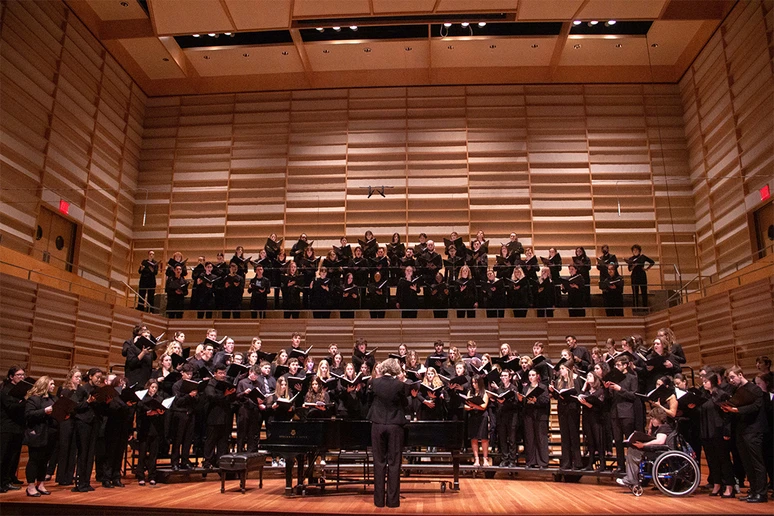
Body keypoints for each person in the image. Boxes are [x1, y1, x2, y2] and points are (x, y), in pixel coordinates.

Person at [721, 366, 768, 503]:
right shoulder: (736, 391)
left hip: (754, 430)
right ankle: (753, 491)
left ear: (740, 375)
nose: (731, 380)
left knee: (756, 462)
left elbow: (756, 407)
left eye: (732, 377)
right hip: (741, 430)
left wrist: (736, 410)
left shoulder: (755, 389)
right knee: (747, 463)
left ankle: (761, 493)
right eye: (729, 378)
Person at [368, 358, 408, 508]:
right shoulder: (400, 385)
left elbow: (369, 401)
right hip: (394, 425)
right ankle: (392, 501)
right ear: (395, 370)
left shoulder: (374, 383)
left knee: (378, 463)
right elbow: (405, 404)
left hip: (377, 424)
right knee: (394, 463)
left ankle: (378, 501)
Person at [617, 406, 673, 488]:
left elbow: (660, 441)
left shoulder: (664, 427)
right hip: (656, 450)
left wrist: (643, 445)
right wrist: (650, 429)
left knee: (633, 452)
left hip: (659, 452)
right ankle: (631, 479)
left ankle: (631, 479)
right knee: (632, 449)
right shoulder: (659, 428)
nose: (651, 420)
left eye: (653, 418)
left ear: (659, 418)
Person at [699, 371, 735, 498]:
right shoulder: (704, 395)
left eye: (706, 381)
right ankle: (717, 484)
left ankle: (730, 486)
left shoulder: (721, 394)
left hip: (719, 431)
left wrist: (727, 431)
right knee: (712, 460)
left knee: (724, 460)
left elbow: (728, 415)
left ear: (713, 382)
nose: (703, 384)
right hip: (707, 432)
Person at [23, 376, 57, 497]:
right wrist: (44, 411)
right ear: (44, 385)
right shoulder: (34, 399)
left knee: (44, 461)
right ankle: (31, 486)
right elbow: (28, 415)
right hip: (37, 433)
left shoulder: (53, 398)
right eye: (51, 384)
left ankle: (40, 484)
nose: (53, 386)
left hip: (50, 434)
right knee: (34, 460)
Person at [604, 356, 638, 473]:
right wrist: (607, 389)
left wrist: (620, 389)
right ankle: (620, 466)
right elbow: (609, 398)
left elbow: (633, 396)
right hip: (615, 413)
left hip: (627, 412)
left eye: (619, 365)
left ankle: (632, 467)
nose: (616, 367)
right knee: (617, 441)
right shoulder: (614, 378)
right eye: (615, 365)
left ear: (625, 365)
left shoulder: (632, 378)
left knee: (629, 441)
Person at [550, 361, 584, 470]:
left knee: (574, 436)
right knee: (564, 436)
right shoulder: (559, 381)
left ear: (569, 369)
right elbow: (556, 396)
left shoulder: (575, 379)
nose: (561, 371)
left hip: (573, 409)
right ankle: (566, 462)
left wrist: (568, 396)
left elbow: (578, 394)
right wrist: (553, 391)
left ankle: (577, 462)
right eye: (560, 369)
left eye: (563, 369)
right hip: (562, 409)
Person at [0, 366, 27, 492]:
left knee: (14, 455)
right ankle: (2, 482)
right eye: (19, 375)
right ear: (11, 377)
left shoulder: (20, 390)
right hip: (7, 426)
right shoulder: (5, 390)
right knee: (4, 455)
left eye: (23, 375)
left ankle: (10, 478)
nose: (22, 377)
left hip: (18, 426)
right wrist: (24, 402)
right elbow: (11, 407)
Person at [136, 380, 166, 486]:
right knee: (142, 454)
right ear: (148, 387)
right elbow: (139, 411)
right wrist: (148, 413)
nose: (154, 389)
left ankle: (152, 476)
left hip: (155, 429)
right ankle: (140, 476)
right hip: (145, 429)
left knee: (153, 455)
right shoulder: (142, 398)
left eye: (156, 388)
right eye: (152, 387)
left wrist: (161, 412)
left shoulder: (159, 399)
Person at [521, 369, 550, 469]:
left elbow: (546, 400)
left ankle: (542, 462)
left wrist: (536, 400)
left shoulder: (542, 387)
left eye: (533, 375)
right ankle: (530, 461)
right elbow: (523, 401)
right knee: (530, 439)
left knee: (541, 439)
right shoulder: (525, 388)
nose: (531, 377)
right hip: (529, 415)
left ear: (537, 376)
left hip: (540, 416)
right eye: (529, 375)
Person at [465, 376, 490, 467]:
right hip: (473, 416)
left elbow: (484, 406)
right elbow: (466, 406)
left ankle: (485, 459)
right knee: (474, 438)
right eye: (473, 382)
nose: (474, 384)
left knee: (483, 438)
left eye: (475, 382)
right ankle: (476, 459)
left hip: (482, 416)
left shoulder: (484, 393)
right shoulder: (470, 392)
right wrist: (472, 406)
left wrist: (473, 405)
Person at [626, 244, 655, 310]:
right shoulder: (631, 259)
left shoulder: (642, 257)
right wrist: (633, 266)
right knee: (635, 292)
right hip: (634, 276)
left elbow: (652, 262)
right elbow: (629, 269)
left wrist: (647, 268)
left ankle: (645, 308)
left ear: (639, 251)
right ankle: (635, 308)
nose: (635, 251)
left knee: (644, 292)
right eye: (634, 250)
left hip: (642, 275)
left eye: (636, 250)